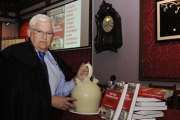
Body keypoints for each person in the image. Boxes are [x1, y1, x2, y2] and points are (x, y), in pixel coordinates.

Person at [0, 14, 88, 120]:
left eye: (49, 33)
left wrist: (76, 79)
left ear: (53, 36)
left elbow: (59, 91)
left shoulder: (55, 60)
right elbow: (13, 95)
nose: (44, 37)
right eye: (39, 31)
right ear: (29, 32)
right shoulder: (13, 57)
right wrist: (49, 101)